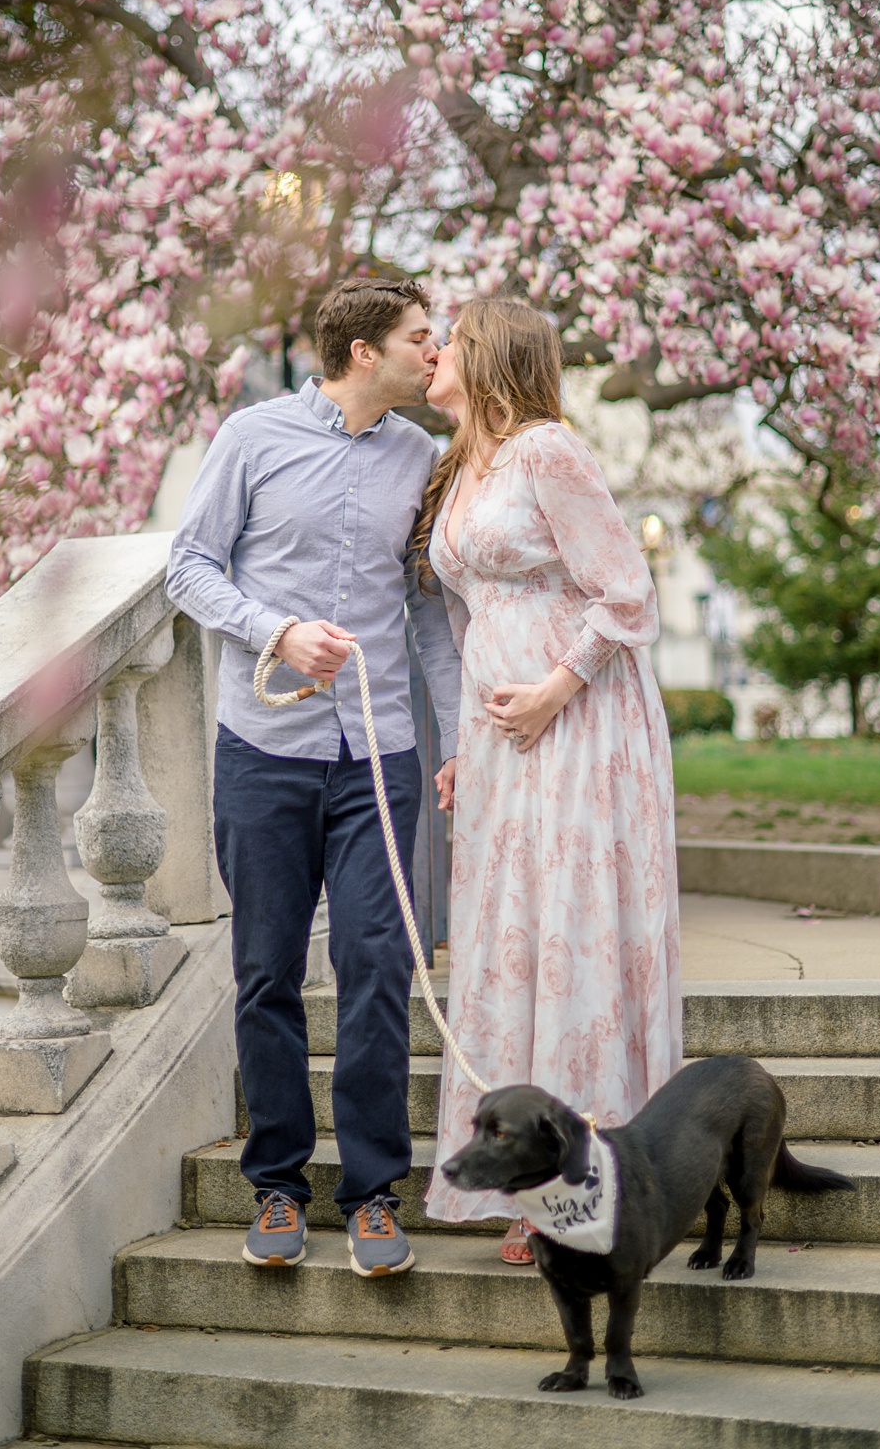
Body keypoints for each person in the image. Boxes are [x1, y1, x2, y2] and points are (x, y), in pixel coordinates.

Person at [168, 274, 461, 1276]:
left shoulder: (421, 455)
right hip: (264, 752)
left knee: (379, 967)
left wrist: (454, 733)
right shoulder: (251, 439)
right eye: (422, 337)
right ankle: (278, 1186)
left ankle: (374, 1193)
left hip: (380, 756)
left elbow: (422, 607)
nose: (438, 351)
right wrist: (279, 631)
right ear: (365, 351)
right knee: (267, 973)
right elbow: (190, 566)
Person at [412, 297, 682, 1261]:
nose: (433, 351)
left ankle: (583, 1192)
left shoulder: (546, 452)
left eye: (449, 338)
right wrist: (459, 743)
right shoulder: (459, 468)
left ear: (488, 359)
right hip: (498, 744)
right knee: (510, 943)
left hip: (578, 727)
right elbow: (463, 620)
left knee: (569, 937)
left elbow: (627, 594)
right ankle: (524, 1179)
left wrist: (554, 690)